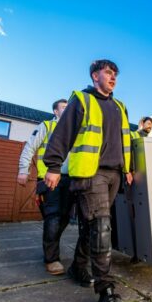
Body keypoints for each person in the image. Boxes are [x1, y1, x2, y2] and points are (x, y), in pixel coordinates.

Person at [43, 59, 132, 302]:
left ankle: (78, 267)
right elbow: (63, 132)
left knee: (93, 226)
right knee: (102, 226)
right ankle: (106, 293)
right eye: (108, 72)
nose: (113, 76)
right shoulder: (81, 100)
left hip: (115, 174)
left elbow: (125, 138)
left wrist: (128, 169)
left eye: (115, 73)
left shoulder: (119, 106)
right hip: (91, 173)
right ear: (95, 76)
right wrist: (53, 165)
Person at [17, 99, 93, 288]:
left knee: (65, 218)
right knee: (53, 217)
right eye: (64, 108)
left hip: (71, 179)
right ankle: (51, 259)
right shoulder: (47, 125)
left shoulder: (76, 130)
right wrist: (23, 169)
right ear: (55, 111)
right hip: (50, 179)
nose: (68, 111)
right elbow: (30, 147)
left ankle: (50, 245)